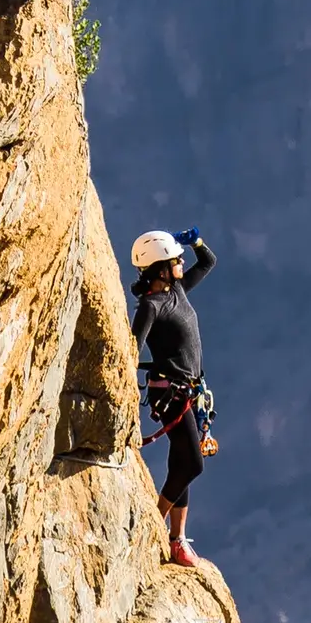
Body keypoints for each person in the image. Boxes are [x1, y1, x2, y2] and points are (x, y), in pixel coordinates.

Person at [129, 226, 218, 565]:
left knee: (180, 462)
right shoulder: (151, 306)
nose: (182, 261)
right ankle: (155, 523)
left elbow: (208, 261)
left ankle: (177, 540)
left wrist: (195, 241)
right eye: (174, 259)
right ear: (159, 268)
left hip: (190, 392)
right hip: (171, 394)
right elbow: (133, 348)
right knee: (192, 464)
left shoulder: (177, 292)